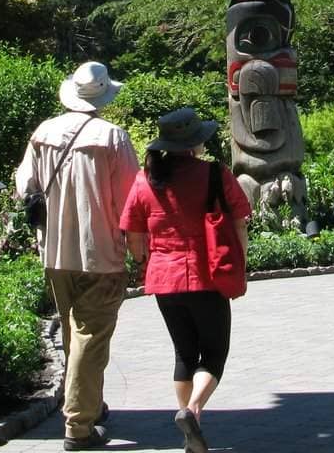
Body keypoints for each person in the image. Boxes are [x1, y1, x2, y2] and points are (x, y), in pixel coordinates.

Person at [14, 61, 139, 451]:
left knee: (73, 332)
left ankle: (91, 404)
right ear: (102, 96)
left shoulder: (44, 132)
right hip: (100, 252)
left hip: (54, 251)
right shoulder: (113, 138)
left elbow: (24, 186)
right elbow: (131, 201)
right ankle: (79, 427)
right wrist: (139, 250)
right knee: (90, 337)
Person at [120, 107, 251, 453]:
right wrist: (241, 258)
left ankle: (188, 431)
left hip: (163, 279)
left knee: (183, 353)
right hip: (208, 275)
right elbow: (240, 219)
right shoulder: (214, 173)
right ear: (197, 142)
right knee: (214, 354)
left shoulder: (145, 178)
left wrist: (141, 259)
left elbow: (133, 232)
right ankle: (192, 410)